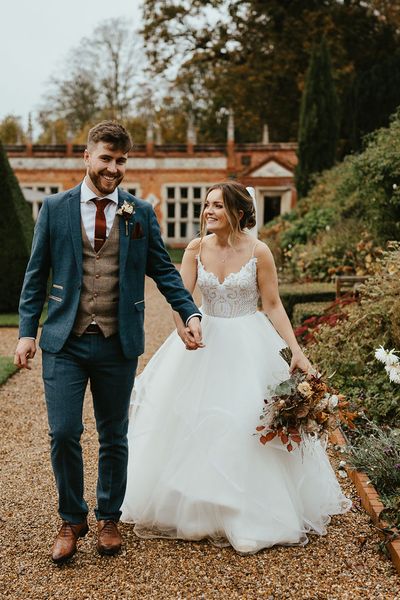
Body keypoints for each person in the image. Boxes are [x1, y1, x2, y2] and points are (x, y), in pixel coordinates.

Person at [121, 181, 351, 554]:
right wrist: (183, 328)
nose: (208, 211)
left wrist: (296, 350)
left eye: (217, 206)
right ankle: (197, 513)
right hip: (204, 339)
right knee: (193, 422)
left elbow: (273, 305)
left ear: (238, 214)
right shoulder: (196, 248)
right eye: (206, 204)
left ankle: (249, 514)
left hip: (248, 342)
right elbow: (182, 297)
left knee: (245, 424)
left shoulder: (259, 251)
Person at [14, 121, 202, 563]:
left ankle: (109, 517)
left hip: (118, 342)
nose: (113, 168)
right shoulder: (55, 208)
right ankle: (70, 518)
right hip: (65, 339)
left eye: (121, 161)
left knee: (114, 434)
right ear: (87, 157)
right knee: (63, 432)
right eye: (106, 159)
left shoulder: (139, 212)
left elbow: (164, 270)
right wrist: (26, 331)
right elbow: (35, 276)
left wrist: (189, 311)